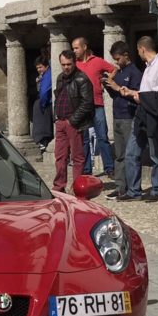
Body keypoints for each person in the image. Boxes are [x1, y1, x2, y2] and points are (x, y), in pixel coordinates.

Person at [117, 36, 158, 202]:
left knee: (156, 154)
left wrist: (139, 95)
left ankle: (157, 190)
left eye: (138, 50)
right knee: (131, 153)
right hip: (141, 114)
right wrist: (133, 93)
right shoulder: (147, 68)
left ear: (142, 49)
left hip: (154, 115)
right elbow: (145, 94)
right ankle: (134, 191)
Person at [72, 37, 116, 178]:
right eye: (73, 48)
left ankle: (109, 168)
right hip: (82, 107)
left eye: (76, 48)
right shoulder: (75, 65)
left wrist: (107, 81)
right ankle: (86, 170)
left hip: (97, 104)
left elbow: (113, 69)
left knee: (102, 136)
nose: (74, 51)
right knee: (83, 139)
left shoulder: (97, 61)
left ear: (84, 47)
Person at [103, 41, 142, 200]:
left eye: (118, 59)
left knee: (130, 154)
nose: (116, 62)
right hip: (117, 115)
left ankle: (133, 188)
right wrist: (108, 85)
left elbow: (137, 95)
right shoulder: (118, 73)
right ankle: (120, 187)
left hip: (129, 116)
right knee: (119, 154)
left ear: (126, 56)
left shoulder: (134, 72)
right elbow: (115, 95)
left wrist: (117, 87)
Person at [52, 49, 94, 193]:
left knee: (77, 157)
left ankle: (77, 187)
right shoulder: (60, 78)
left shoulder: (82, 79)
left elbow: (87, 103)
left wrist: (73, 120)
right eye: (63, 64)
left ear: (74, 63)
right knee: (60, 156)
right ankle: (59, 186)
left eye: (69, 64)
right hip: (61, 121)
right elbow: (58, 97)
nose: (66, 67)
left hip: (74, 122)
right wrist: (56, 117)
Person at [30, 56, 54, 152]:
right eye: (37, 68)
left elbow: (44, 92)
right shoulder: (44, 75)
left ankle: (43, 143)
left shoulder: (48, 75)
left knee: (43, 127)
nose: (39, 70)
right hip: (43, 103)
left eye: (40, 67)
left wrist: (42, 104)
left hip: (44, 103)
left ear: (46, 66)